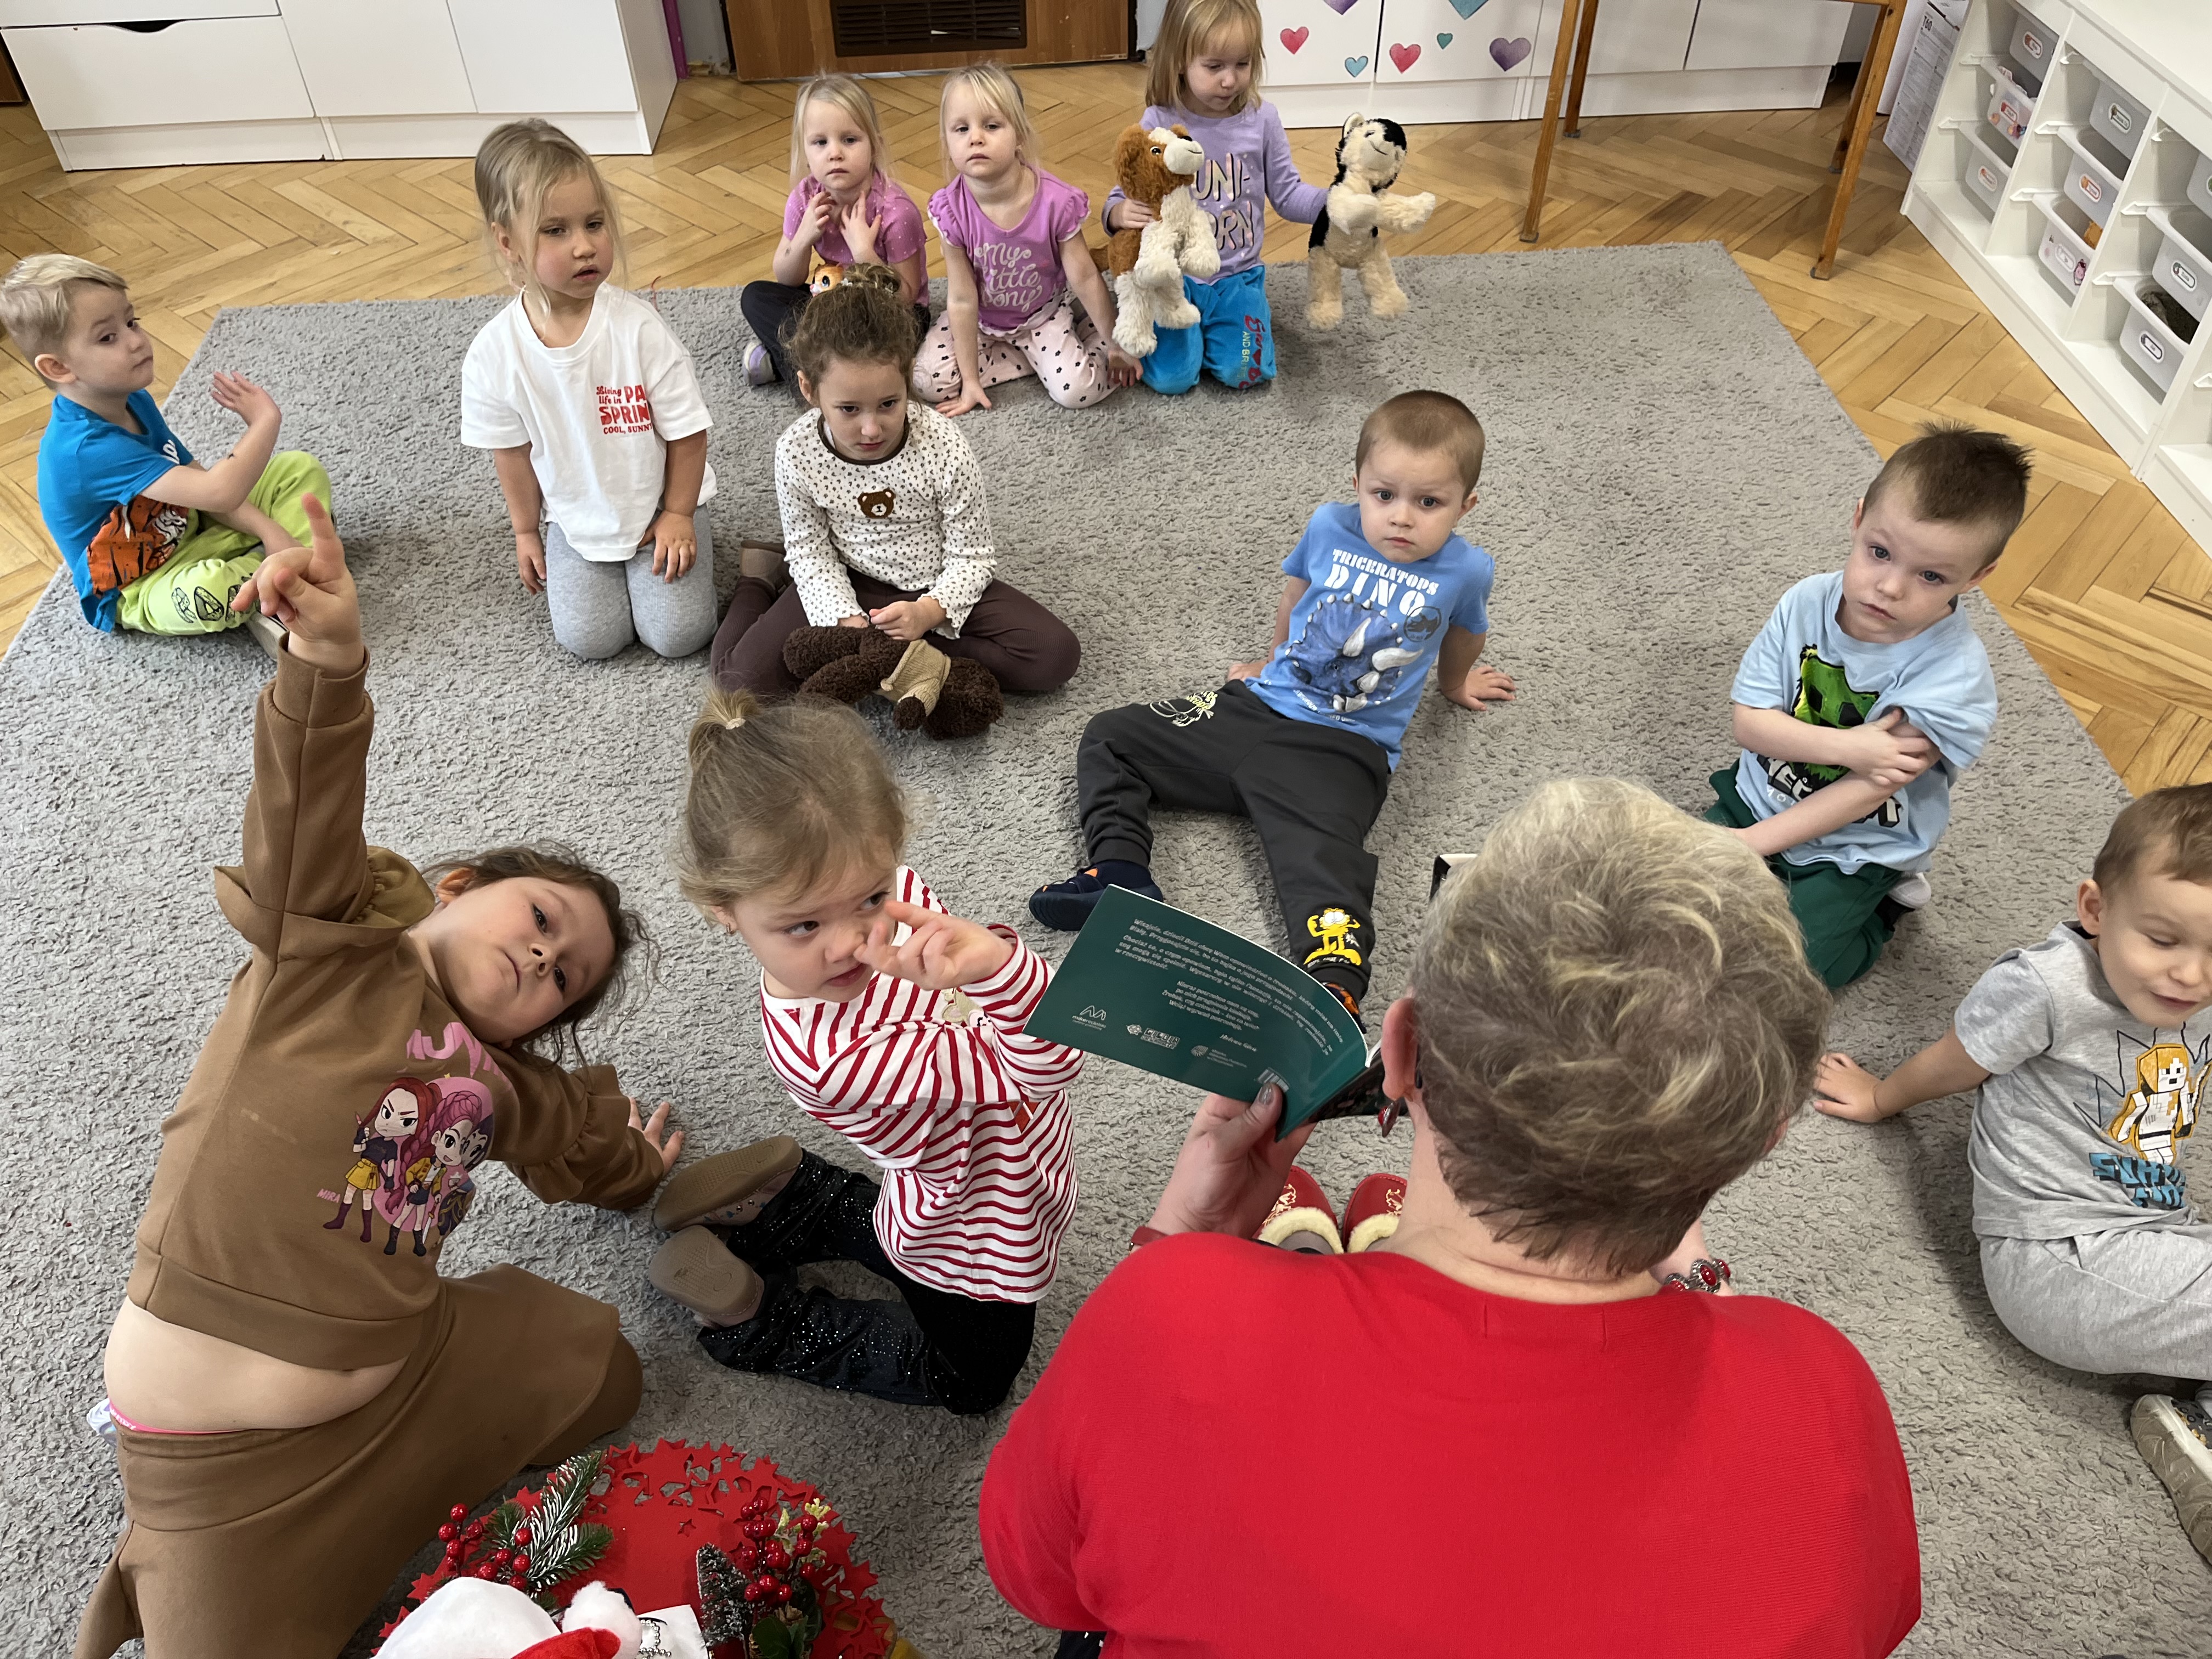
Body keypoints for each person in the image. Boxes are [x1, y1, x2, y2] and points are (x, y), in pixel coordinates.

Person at [983, 779, 1923, 1655]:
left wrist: (1182, 1249)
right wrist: (1701, 1289)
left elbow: (1039, 1579)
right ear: (1765, 1137)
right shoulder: (1823, 1394)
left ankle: (1324, 1247)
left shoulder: (1169, 1318)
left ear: (1398, 1053)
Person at [74, 496, 685, 1659]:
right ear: (460, 887)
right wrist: (328, 662)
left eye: (565, 978)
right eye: (541, 919)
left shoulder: (504, 1085)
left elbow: (575, 1142)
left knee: (607, 1372)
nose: (545, 958)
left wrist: (637, 1171)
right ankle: (234, 1558)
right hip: (217, 1462)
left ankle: (400, 1486)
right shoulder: (329, 946)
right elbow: (306, 806)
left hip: (400, 1380)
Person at [646, 687, 1084, 1414]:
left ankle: (797, 1201)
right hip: (966, 1223)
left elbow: (974, 1011)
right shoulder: (839, 1058)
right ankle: (762, 1324)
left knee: (905, 1229)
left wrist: (971, 964)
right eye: (804, 925)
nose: (853, 942)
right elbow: (1048, 1065)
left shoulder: (896, 890)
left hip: (990, 1152)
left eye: (870, 899)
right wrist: (1003, 968)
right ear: (722, 910)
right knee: (975, 1380)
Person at [1816, 782, 2212, 1561]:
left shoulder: (2198, 990)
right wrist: (1882, 1097)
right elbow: (1960, 1059)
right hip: (2059, 1257)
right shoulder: (2048, 985)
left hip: (2156, 1229)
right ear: (2096, 909)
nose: (2190, 977)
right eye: (2163, 939)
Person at [1029, 390, 1510, 1019]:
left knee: (1324, 863)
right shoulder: (1329, 526)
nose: (1401, 518)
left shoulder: (1467, 570)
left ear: (1466, 505)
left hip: (1343, 750)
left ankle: (1332, 984)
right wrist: (1269, 660)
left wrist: (1455, 685)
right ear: (1358, 485)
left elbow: (1467, 632)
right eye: (1384, 495)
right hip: (1254, 709)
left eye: (1429, 503)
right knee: (1112, 735)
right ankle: (1120, 873)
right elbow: (1296, 596)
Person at [1705, 424, 2030, 987]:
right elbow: (1749, 723)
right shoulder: (1805, 601)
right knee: (1665, 907)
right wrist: (1850, 748)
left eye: (1931, 576)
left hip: (1858, 844)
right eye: (1880, 553)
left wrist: (1748, 848)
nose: (1891, 588)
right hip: (1757, 798)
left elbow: (1870, 788)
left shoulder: (1954, 679)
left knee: (1788, 977)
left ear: (1978, 577)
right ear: (1858, 519)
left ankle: (1882, 915)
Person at [709, 265, 1081, 703]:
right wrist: (843, 619)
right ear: (809, 390)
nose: (871, 429)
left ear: (907, 379)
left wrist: (929, 612)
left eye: (889, 404)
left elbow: (974, 557)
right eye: (849, 409)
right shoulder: (796, 451)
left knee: (1055, 655)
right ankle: (759, 579)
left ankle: (897, 654)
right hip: (847, 576)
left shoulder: (943, 445)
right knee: (737, 684)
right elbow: (809, 550)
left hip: (933, 580)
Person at [460, 118, 719, 662]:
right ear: (508, 243)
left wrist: (678, 514)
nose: (584, 247)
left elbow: (688, 433)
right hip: (578, 520)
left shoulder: (640, 330)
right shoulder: (492, 355)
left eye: (594, 224)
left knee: (679, 636)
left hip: (660, 505)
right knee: (589, 640)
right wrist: (526, 532)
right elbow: (512, 456)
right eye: (556, 231)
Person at [4, 252, 328, 647]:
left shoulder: (131, 398)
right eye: (108, 338)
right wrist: (265, 422)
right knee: (208, 592)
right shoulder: (86, 449)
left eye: (131, 322)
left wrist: (268, 530)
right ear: (58, 368)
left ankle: (271, 576)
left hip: (190, 523)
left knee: (298, 469)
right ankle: (287, 572)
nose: (136, 341)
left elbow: (199, 483)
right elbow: (220, 492)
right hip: (141, 583)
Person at [1101, 0, 1325, 394]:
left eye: (1243, 64)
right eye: (1215, 66)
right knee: (1172, 379)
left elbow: (1289, 194)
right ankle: (1191, 341)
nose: (1230, 80)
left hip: (1238, 277)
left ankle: (1217, 334)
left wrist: (1334, 205)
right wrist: (1117, 213)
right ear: (1180, 60)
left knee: (1246, 370)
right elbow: (1130, 188)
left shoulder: (1263, 119)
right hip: (1173, 280)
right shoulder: (1159, 120)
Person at [918, 64, 1137, 415]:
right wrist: (970, 381)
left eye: (992, 126)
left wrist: (1117, 345)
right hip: (982, 322)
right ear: (948, 141)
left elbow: (1084, 277)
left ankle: (1087, 332)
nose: (975, 138)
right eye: (962, 129)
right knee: (927, 383)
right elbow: (961, 298)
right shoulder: (951, 209)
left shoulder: (1056, 202)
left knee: (1075, 392)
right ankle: (1034, 359)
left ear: (1020, 134)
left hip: (1042, 316)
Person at [740, 74, 930, 390]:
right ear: (805, 150)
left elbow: (907, 299)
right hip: (833, 299)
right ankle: (828, 374)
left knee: (887, 334)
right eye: (820, 142)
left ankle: (808, 373)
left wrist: (865, 254)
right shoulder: (805, 198)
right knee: (756, 297)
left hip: (887, 313)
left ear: (875, 146)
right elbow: (787, 279)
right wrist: (804, 238)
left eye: (850, 140)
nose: (835, 153)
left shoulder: (896, 211)